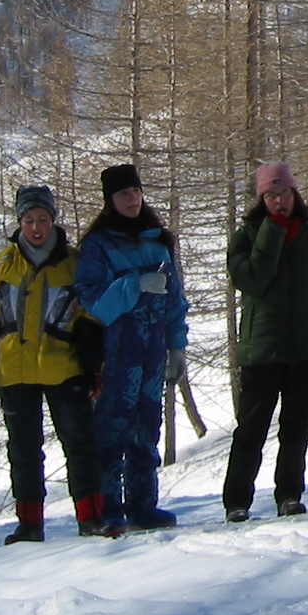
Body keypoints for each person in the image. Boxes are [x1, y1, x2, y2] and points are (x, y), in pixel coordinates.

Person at [0, 184, 106, 543]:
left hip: (65, 368)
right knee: (23, 450)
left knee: (80, 444)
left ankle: (90, 517)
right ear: (19, 222)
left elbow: (90, 320)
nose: (36, 227)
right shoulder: (2, 265)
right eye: (29, 219)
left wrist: (94, 367)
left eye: (42, 219)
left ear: (53, 220)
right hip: (14, 372)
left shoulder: (75, 264)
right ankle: (29, 524)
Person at [222, 161, 308, 522]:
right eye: (271, 195)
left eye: (285, 193)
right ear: (261, 199)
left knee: (297, 429)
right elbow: (253, 279)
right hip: (261, 351)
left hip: (305, 350)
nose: (279, 201)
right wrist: (271, 233)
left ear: (295, 194)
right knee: (251, 429)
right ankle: (236, 500)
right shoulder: (246, 237)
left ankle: (289, 494)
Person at [75, 165, 190, 535]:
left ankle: (143, 504)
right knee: (112, 428)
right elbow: (95, 304)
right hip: (117, 351)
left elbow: (176, 302)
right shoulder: (98, 245)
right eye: (124, 194)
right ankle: (107, 505)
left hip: (153, 350)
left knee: (147, 428)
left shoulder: (158, 240)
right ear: (111, 199)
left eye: (136, 192)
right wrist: (136, 284)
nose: (132, 199)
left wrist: (177, 347)